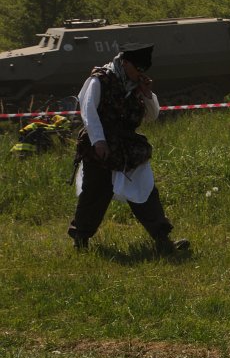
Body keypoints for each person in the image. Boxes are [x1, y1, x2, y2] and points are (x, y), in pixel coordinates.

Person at [68, 43, 189, 254]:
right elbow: (88, 111)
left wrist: (147, 94)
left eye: (143, 70)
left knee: (145, 189)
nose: (140, 74)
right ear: (125, 63)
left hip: (128, 147)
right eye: (138, 69)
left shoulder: (136, 87)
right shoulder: (100, 79)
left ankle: (162, 238)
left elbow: (152, 116)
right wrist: (99, 141)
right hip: (100, 146)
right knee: (95, 193)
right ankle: (80, 238)